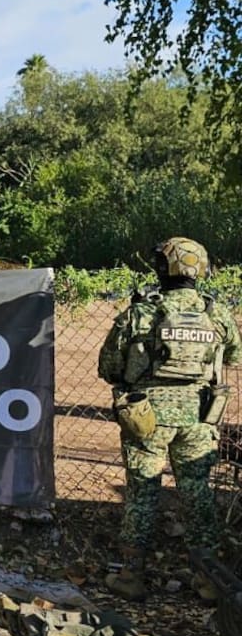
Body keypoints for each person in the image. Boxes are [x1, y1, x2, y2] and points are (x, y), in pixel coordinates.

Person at [97, 237, 240, 601]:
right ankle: (209, 579)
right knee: (197, 493)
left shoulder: (141, 313)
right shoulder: (216, 312)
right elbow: (234, 356)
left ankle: (131, 576)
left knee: (143, 492)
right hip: (200, 417)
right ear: (200, 269)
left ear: (163, 268)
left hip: (147, 417)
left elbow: (109, 367)